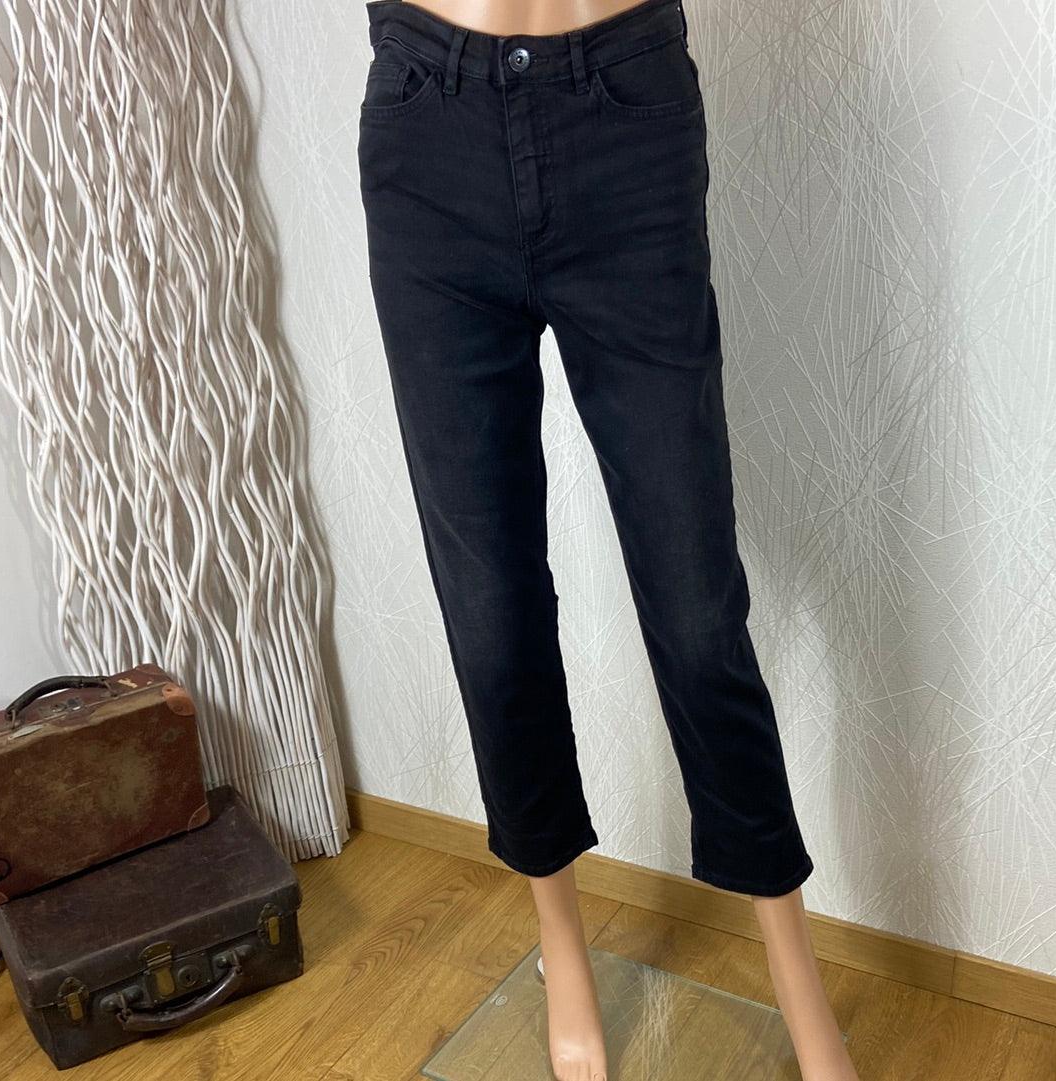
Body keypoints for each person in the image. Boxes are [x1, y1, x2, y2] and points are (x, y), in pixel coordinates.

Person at [357, 1, 861, 1078]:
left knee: (697, 608)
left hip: (623, 110)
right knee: (491, 607)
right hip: (427, 125)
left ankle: (795, 972)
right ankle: (560, 935)